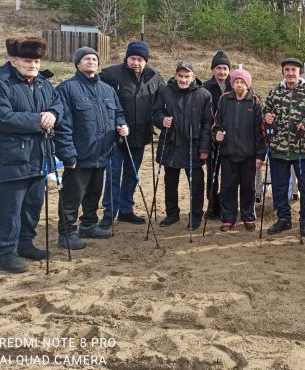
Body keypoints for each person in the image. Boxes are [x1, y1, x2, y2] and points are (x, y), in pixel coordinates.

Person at [0, 37, 63, 273]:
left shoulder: (43, 84)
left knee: (32, 205)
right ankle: (7, 252)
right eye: (28, 61)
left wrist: (53, 114)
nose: (33, 66)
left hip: (40, 156)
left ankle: (25, 243)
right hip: (12, 158)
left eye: (36, 61)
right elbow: (2, 118)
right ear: (13, 60)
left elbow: (58, 104)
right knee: (11, 208)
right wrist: (39, 119)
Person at [53, 47, 128, 250]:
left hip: (103, 153)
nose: (91, 61)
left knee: (94, 193)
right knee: (72, 196)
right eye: (86, 58)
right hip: (79, 155)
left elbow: (118, 113)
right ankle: (67, 232)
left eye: (94, 59)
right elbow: (62, 125)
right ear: (78, 63)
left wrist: (122, 125)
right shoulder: (67, 89)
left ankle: (88, 224)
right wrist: (68, 154)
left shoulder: (107, 90)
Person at [98, 41, 165, 227]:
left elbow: (164, 100)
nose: (136, 63)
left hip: (140, 135)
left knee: (132, 174)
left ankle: (126, 210)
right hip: (115, 136)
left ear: (146, 61)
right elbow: (102, 103)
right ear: (126, 58)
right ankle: (109, 213)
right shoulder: (110, 75)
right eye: (133, 58)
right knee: (113, 175)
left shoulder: (154, 77)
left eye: (140, 59)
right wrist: (114, 124)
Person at [263, 57, 305, 239]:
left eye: (294, 70)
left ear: (299, 72)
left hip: (302, 148)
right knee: (279, 187)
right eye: (287, 70)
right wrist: (267, 118)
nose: (290, 73)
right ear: (283, 72)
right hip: (279, 148)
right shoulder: (275, 92)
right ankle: (283, 218)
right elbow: (265, 112)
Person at [152, 61, 213, 230]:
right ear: (175, 75)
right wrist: (161, 120)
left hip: (193, 146)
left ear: (193, 77)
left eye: (187, 76)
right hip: (170, 144)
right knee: (170, 182)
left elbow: (208, 124)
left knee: (196, 184)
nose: (183, 79)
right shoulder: (165, 91)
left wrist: (204, 148)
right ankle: (172, 214)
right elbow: (155, 112)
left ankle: (195, 216)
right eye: (180, 76)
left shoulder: (204, 95)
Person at [212, 69, 265, 231]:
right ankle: (228, 218)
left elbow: (260, 131)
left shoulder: (255, 101)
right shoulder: (224, 99)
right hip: (228, 153)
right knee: (228, 187)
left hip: (249, 154)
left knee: (248, 187)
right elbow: (217, 123)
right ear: (232, 84)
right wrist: (217, 134)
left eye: (242, 82)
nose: (239, 85)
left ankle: (248, 216)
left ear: (248, 84)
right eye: (236, 82)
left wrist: (260, 155)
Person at [203, 51, 232, 219]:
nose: (222, 72)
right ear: (213, 69)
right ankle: (212, 206)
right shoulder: (206, 87)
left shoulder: (234, 84)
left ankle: (226, 206)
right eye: (219, 68)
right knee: (212, 174)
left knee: (228, 176)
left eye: (225, 68)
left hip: (231, 139)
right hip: (212, 138)